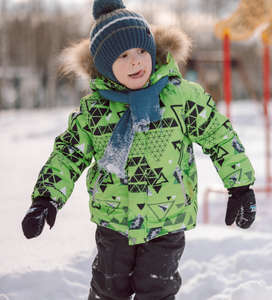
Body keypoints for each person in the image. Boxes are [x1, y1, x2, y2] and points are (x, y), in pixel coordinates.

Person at [20, 0, 257, 299]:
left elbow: (220, 136)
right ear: (105, 65)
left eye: (142, 51)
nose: (136, 62)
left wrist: (241, 186)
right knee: (108, 291)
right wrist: (45, 198)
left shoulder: (181, 97)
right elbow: (69, 154)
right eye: (123, 55)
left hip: (167, 221)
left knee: (157, 291)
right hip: (114, 222)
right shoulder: (95, 110)